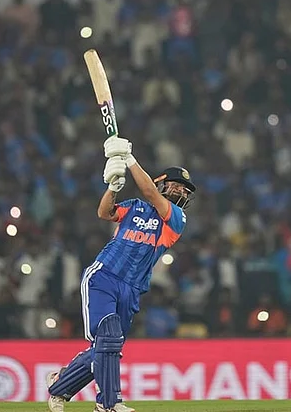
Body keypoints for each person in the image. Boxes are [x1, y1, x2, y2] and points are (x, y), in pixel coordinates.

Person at [46, 136, 196, 412]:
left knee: (107, 348)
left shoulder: (177, 218)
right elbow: (105, 212)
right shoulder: (135, 206)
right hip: (104, 276)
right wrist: (113, 188)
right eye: (177, 186)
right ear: (162, 183)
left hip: (132, 287)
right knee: (108, 339)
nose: (181, 193)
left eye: (185, 191)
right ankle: (108, 404)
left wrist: (129, 159)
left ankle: (60, 385)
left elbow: (150, 192)